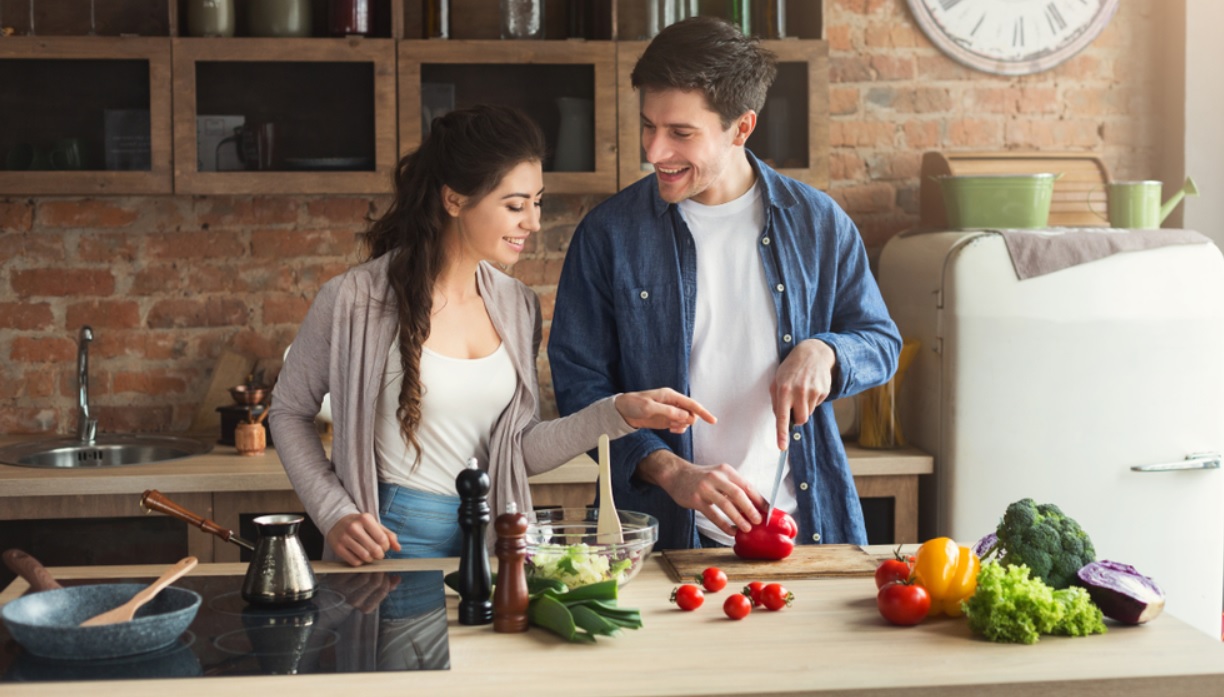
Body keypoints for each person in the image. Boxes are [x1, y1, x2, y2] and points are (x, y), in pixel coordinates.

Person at [270, 105, 714, 566]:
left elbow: (517, 450)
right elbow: (288, 411)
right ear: (455, 200)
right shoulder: (353, 299)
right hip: (391, 541)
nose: (533, 222)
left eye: (536, 202)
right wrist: (334, 512)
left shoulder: (517, 305)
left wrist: (618, 412)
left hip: (495, 541)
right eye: (515, 205)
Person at [548, 17, 902, 551]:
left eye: (681, 134)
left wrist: (825, 352)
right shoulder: (609, 235)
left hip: (802, 531)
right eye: (648, 125)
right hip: (662, 539)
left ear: (742, 127)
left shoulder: (818, 223)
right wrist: (670, 470)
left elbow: (880, 342)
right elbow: (580, 388)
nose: (654, 151)